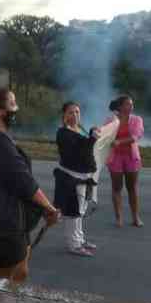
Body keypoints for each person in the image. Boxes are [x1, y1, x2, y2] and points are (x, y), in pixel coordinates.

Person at [0, 87, 60, 283]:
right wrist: (49, 208)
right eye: (13, 105)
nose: (16, 109)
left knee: (18, 272)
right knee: (1, 285)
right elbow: (24, 182)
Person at [55, 102, 100, 257]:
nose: (74, 115)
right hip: (72, 177)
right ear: (64, 115)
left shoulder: (78, 129)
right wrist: (92, 138)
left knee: (80, 211)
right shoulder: (63, 133)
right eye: (70, 112)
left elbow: (86, 146)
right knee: (73, 212)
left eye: (77, 112)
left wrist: (91, 134)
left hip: (83, 176)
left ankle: (79, 239)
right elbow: (79, 152)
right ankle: (73, 244)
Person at [106, 95, 144, 227]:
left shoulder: (137, 120)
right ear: (120, 106)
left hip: (131, 157)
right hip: (115, 157)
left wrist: (119, 141)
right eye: (128, 104)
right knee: (116, 188)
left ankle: (135, 217)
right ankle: (119, 218)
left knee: (132, 188)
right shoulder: (111, 120)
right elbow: (105, 135)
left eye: (132, 105)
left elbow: (135, 136)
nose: (131, 107)